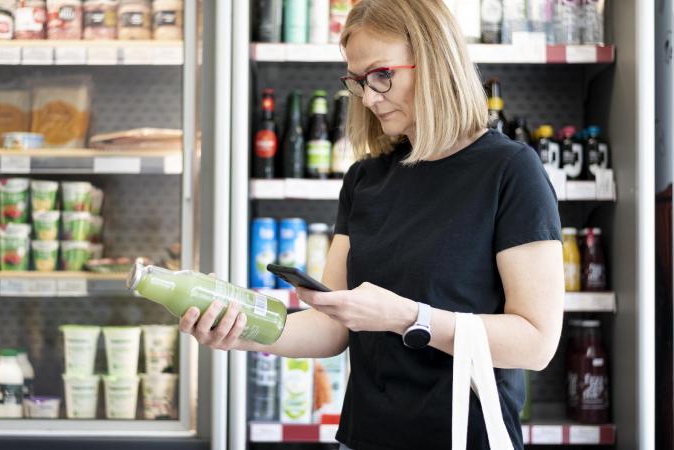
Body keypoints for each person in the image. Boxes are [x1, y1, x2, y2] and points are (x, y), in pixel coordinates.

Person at [179, 1, 564, 449]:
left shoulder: (511, 170)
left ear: (437, 61)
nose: (369, 97)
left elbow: (537, 341)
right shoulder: (366, 178)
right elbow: (330, 327)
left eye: (382, 75)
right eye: (358, 81)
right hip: (363, 437)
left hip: (463, 437)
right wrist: (238, 327)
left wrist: (407, 317)